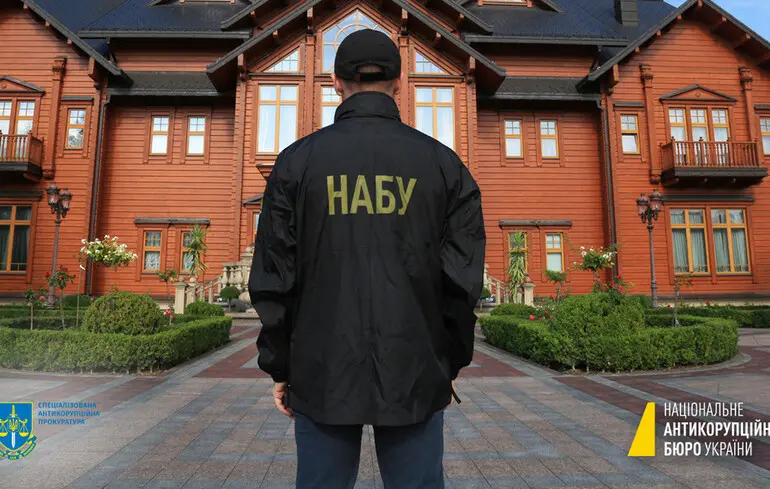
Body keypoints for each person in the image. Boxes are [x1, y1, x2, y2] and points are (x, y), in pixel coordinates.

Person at [249, 29, 485, 489]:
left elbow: (274, 276)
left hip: (320, 368)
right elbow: (461, 280)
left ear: (335, 83)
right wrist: (447, 363)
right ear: (399, 83)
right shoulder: (443, 165)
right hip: (415, 365)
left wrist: (282, 365)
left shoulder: (296, 163)